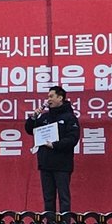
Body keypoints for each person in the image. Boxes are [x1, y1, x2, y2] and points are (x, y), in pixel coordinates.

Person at [22, 87, 81, 216]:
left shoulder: (69, 117)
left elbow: (72, 139)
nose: (48, 100)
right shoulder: (44, 117)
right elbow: (30, 130)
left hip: (62, 165)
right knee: (48, 199)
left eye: (51, 96)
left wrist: (55, 145)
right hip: (45, 163)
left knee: (64, 198)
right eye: (48, 97)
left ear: (60, 98)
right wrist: (33, 118)